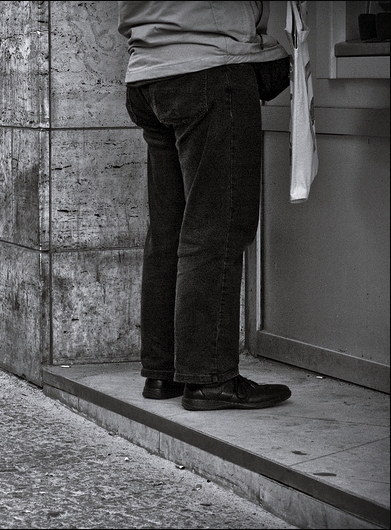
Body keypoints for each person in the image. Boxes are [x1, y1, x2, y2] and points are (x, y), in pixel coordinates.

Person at [118, 2, 292, 410]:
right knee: (216, 226)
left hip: (149, 70)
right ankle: (209, 378)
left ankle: (164, 373)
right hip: (208, 66)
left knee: (169, 231)